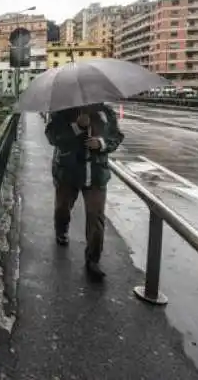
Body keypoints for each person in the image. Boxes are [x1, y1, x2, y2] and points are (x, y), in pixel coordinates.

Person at [44, 103, 124, 280]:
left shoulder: (105, 112)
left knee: (96, 216)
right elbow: (53, 138)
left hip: (96, 174)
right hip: (68, 172)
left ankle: (93, 260)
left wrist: (101, 144)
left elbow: (116, 136)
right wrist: (77, 127)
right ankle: (61, 230)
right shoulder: (62, 112)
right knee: (62, 208)